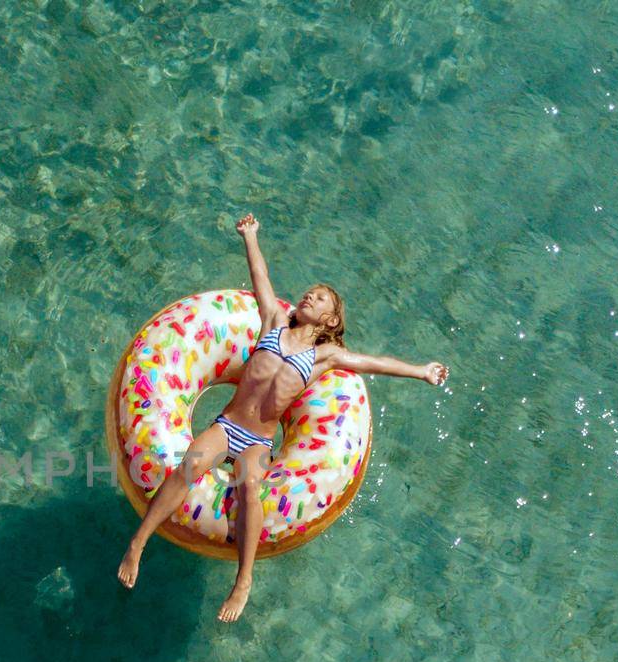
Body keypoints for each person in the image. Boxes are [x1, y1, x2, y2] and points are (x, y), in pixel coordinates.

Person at [117, 213, 449, 622]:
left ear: (330, 320)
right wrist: (250, 236)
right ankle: (138, 543)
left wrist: (420, 371)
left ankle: (243, 580)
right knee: (191, 464)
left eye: (320, 298)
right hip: (228, 425)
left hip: (257, 440)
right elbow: (260, 275)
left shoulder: (324, 356)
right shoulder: (273, 321)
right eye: (309, 293)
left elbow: (371, 361)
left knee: (251, 484)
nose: (309, 297)